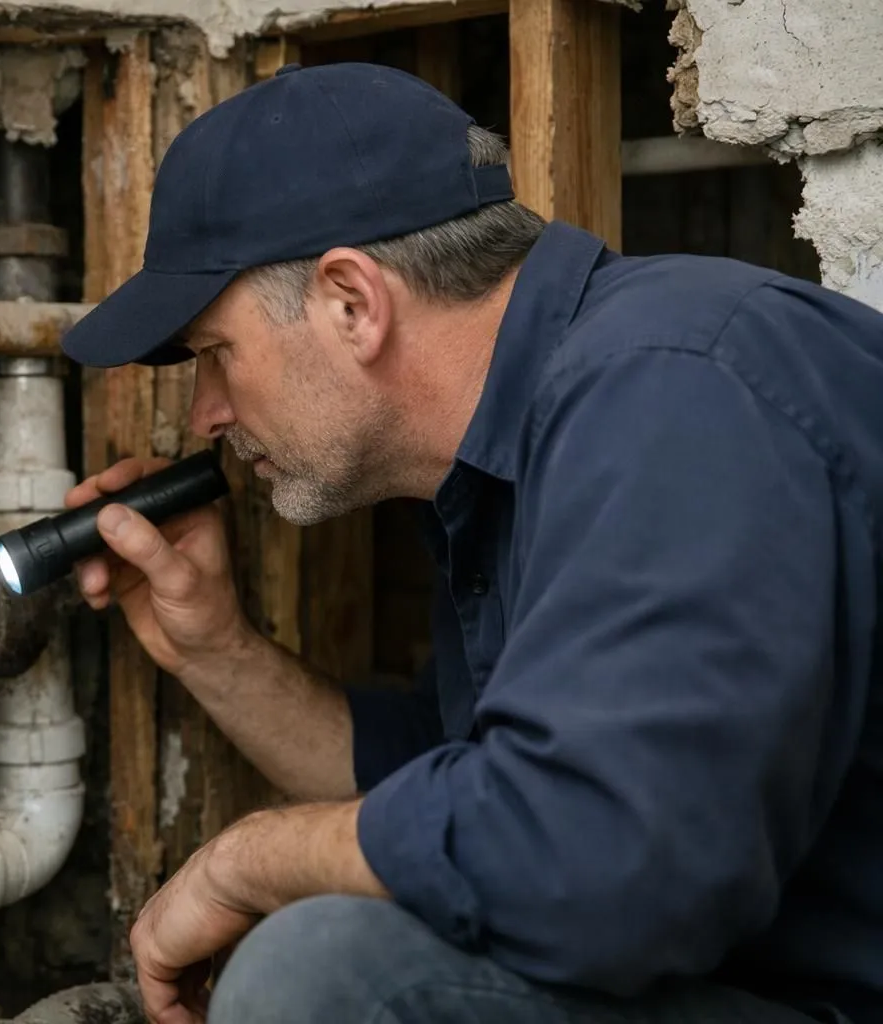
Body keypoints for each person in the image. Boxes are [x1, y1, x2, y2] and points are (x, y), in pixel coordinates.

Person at [56, 61, 883, 1024]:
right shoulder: (504, 466)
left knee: (321, 970)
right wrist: (217, 652)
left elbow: (599, 863)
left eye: (213, 356)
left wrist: (246, 863)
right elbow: (450, 804)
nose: (205, 417)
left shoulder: (669, 388)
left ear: (351, 302)